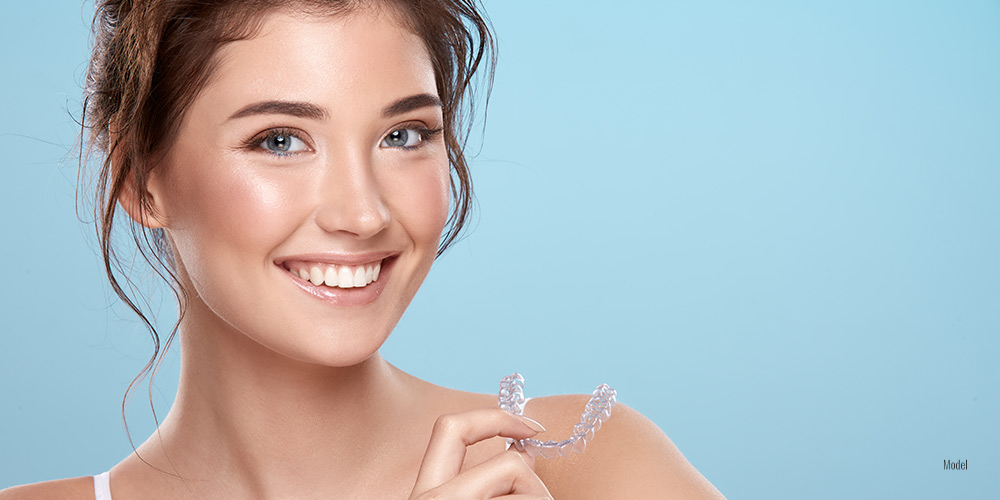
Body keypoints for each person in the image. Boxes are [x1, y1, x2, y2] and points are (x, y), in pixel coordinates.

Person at [1, 0, 725, 498]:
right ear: (140, 180)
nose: (363, 212)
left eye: (403, 135)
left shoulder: (588, 471)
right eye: (280, 140)